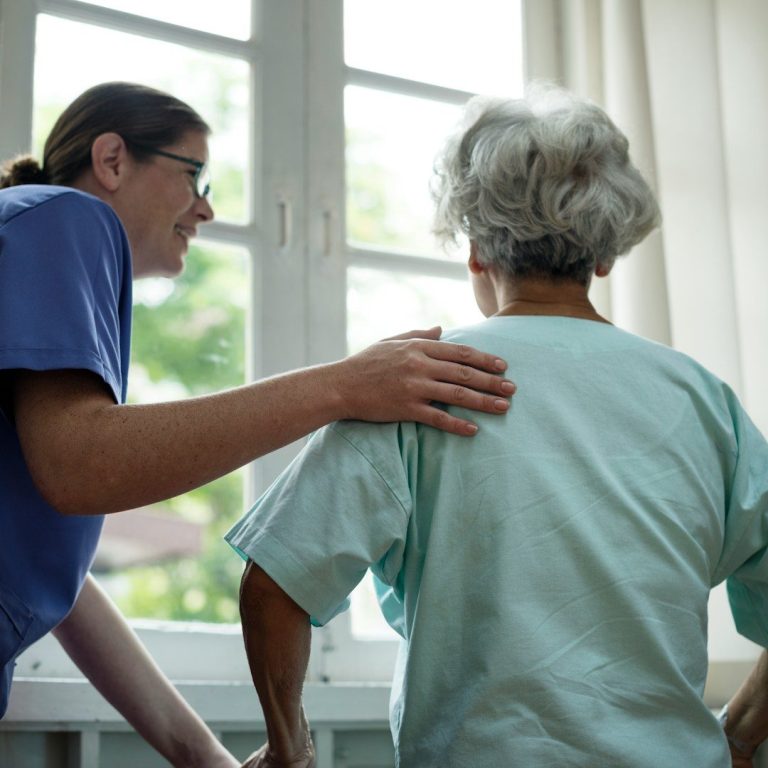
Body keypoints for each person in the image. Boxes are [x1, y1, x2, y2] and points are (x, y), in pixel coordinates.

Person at [228, 86, 768, 768]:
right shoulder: (703, 400)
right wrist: (739, 736)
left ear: (477, 248)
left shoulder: (418, 384)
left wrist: (289, 748)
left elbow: (273, 587)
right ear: (605, 255)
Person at [0, 81, 517, 766]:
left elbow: (57, 579)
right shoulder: (66, 215)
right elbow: (82, 466)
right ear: (112, 159)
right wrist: (343, 385)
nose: (206, 208)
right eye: (194, 175)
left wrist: (207, 759)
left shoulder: (38, 245)